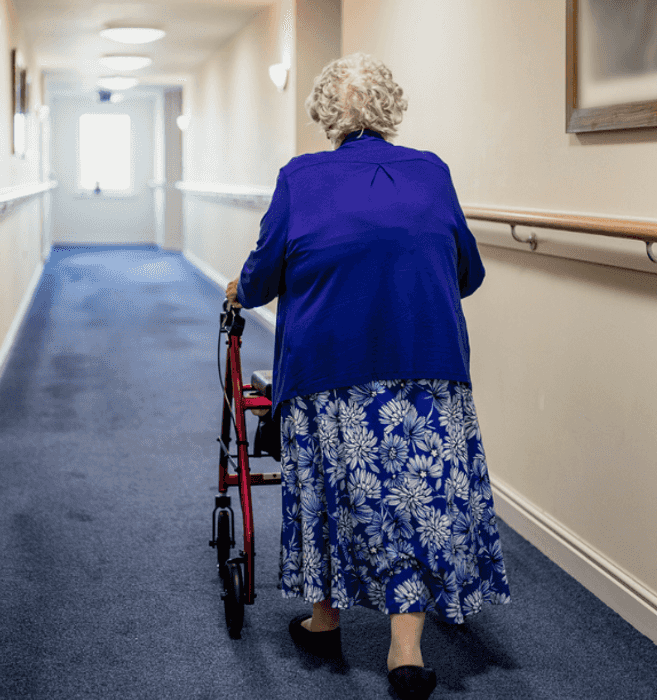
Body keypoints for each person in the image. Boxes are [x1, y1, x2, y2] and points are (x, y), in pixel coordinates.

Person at [225, 52, 510, 700]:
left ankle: (325, 618)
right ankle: (405, 650)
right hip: (426, 365)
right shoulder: (431, 173)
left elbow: (264, 274)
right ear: (390, 108)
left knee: (330, 489)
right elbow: (467, 272)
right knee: (415, 500)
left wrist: (240, 288)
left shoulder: (300, 178)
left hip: (330, 369)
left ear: (326, 113)